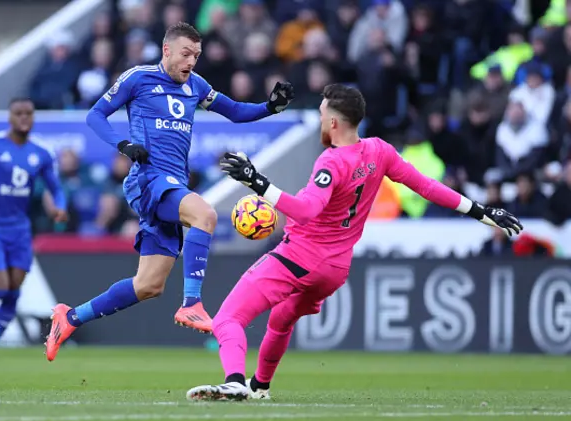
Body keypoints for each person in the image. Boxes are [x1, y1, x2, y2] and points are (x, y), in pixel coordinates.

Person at [186, 84, 524, 401]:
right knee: (281, 319)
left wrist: (257, 182)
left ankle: (234, 381)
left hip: (300, 255)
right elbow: (425, 186)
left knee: (228, 318)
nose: (320, 120)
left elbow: (305, 211)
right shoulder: (380, 151)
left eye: (321, 115)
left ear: (333, 121)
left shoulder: (331, 162)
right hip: (335, 268)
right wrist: (480, 211)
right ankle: (260, 386)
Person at [45, 22, 294, 361]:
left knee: (148, 285)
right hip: (149, 179)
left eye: (196, 56)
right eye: (186, 54)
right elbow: (96, 116)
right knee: (204, 214)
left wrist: (270, 107)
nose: (191, 62)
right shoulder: (138, 78)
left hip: (173, 184)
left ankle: (69, 317)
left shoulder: (196, 85)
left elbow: (234, 111)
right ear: (167, 51)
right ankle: (192, 304)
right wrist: (124, 144)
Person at [0, 98, 67, 369]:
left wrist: (60, 208)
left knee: (13, 292)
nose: (24, 118)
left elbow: (56, 188)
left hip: (19, 229)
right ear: (9, 117)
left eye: (28, 113)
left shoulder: (41, 152)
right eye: (18, 113)